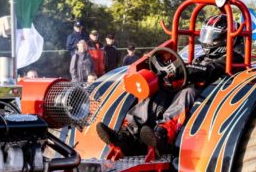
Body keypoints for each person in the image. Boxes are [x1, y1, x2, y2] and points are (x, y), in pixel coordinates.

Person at [96, 14, 240, 156]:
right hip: (194, 92)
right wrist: (170, 77)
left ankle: (163, 134)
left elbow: (208, 71)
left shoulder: (233, 58)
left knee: (187, 92)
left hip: (211, 96)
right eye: (206, 34)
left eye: (212, 36)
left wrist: (182, 70)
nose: (207, 40)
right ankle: (128, 136)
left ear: (225, 38)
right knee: (162, 89)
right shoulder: (203, 57)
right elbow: (192, 70)